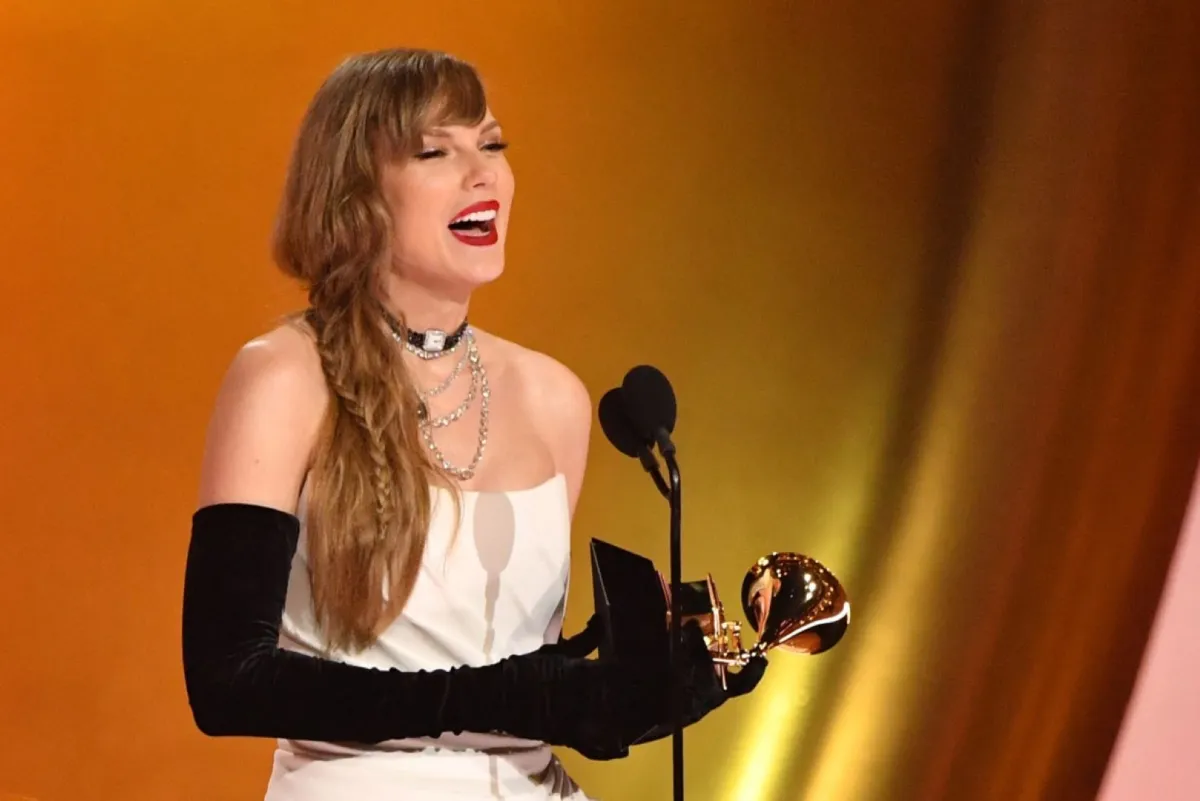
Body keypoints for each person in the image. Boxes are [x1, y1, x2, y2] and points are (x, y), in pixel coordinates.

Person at [180, 48, 765, 801]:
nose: (483, 173)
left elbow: (524, 679)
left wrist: (626, 694)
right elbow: (228, 680)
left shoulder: (553, 396)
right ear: (355, 195)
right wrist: (500, 697)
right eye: (436, 151)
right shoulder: (283, 377)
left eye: (491, 144)